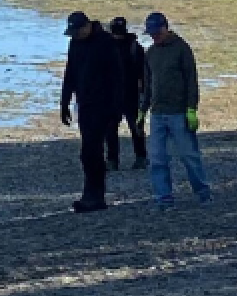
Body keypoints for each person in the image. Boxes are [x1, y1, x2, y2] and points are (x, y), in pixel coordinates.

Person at [58, 11, 127, 212]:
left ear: (87, 25)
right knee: (88, 152)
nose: (75, 35)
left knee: (92, 150)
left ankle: (95, 195)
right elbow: (70, 72)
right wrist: (64, 103)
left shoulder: (106, 43)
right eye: (72, 33)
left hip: (104, 105)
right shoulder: (75, 43)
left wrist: (117, 109)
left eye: (77, 31)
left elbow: (117, 77)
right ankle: (91, 192)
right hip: (85, 104)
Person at [142, 12, 208, 208]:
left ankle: (202, 191)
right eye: (151, 34)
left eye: (157, 32)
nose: (155, 37)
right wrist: (142, 108)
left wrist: (191, 109)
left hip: (179, 112)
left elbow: (191, 80)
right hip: (157, 113)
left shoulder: (182, 49)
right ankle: (164, 197)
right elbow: (148, 84)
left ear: (165, 28)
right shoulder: (151, 54)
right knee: (157, 159)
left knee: (189, 155)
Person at [109, 17, 148, 170]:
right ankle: (135, 158)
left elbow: (143, 74)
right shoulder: (135, 46)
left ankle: (135, 158)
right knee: (113, 128)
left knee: (133, 127)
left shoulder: (134, 47)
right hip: (120, 94)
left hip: (128, 95)